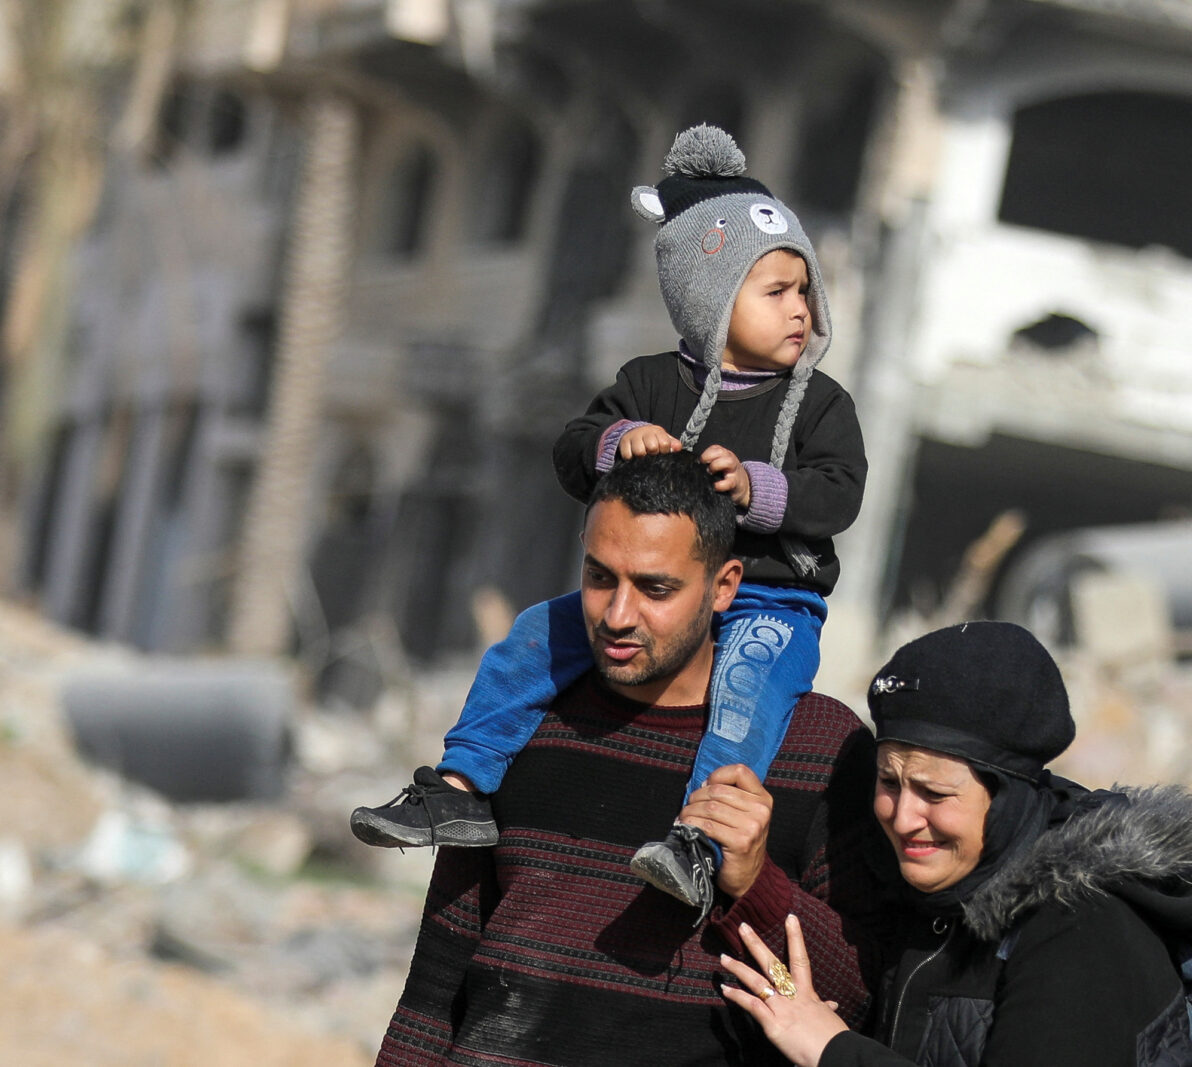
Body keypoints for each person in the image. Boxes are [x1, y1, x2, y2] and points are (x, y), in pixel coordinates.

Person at [351, 123, 867, 916]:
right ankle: (457, 789)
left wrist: (762, 488)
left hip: (771, 598)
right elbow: (572, 447)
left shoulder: (820, 405)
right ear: (711, 299)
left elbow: (841, 492)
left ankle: (698, 844)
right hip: (655, 596)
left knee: (745, 691)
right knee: (530, 639)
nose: (801, 309)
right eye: (777, 292)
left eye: (805, 290)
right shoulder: (650, 382)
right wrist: (621, 441)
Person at [373, 453, 882, 1066]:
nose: (617, 616)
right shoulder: (525, 723)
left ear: (725, 586)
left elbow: (859, 1000)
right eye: (599, 578)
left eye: (655, 588)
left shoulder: (820, 750)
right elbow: (436, 984)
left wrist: (753, 883)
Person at [720, 621, 1192, 1067]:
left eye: (935, 792)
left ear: (1008, 796)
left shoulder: (1080, 926)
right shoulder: (929, 898)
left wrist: (834, 1050)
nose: (904, 818)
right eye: (888, 782)